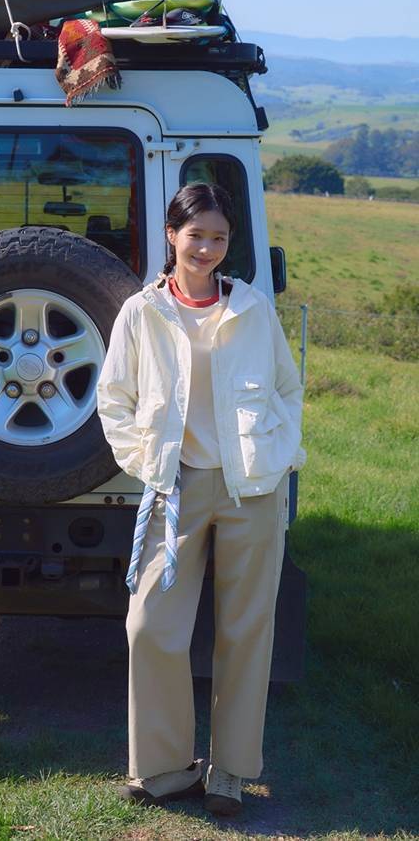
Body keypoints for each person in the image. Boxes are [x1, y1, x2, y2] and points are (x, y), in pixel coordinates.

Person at [95, 182, 305, 817]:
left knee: (246, 631)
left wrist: (277, 454)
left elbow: (287, 389)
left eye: (219, 237)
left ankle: (230, 773)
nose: (207, 248)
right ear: (172, 235)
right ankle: (164, 769)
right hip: (175, 486)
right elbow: (114, 399)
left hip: (252, 488)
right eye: (196, 235)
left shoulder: (252, 309)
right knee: (149, 626)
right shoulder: (142, 312)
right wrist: (148, 463)